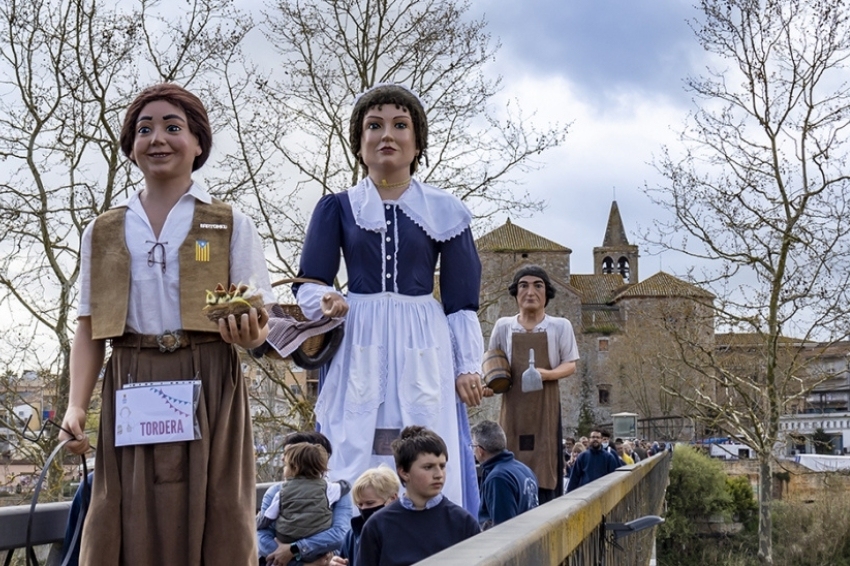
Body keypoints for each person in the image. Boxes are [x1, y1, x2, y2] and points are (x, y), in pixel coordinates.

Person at [59, 83, 273, 565]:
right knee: (126, 509)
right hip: (131, 377)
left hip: (211, 379)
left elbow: (260, 321)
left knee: (217, 508)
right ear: (130, 146)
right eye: (144, 129)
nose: (157, 138)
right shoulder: (105, 229)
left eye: (173, 127)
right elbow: (89, 326)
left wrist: (249, 332)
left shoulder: (229, 221)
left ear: (198, 143)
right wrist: (75, 407)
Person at [267, 83, 484, 514]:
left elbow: (461, 301)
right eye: (374, 125)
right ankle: (352, 540)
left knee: (425, 432)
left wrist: (467, 366)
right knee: (354, 438)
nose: (387, 134)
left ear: (417, 142)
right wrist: (326, 299)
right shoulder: (338, 208)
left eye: (400, 125)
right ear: (359, 143)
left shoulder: (447, 212)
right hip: (359, 335)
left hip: (424, 338)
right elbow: (309, 281)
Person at [487, 265, 580, 504]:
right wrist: (488, 384)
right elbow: (491, 362)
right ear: (515, 293)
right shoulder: (503, 326)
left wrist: (547, 374)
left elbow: (570, 364)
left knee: (545, 461)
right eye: (523, 285)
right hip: (513, 407)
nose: (530, 292)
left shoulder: (560, 326)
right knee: (510, 456)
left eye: (537, 285)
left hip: (545, 407)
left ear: (546, 293)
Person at [356, 426, 480, 566]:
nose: (438, 474)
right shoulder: (377, 525)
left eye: (442, 466)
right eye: (428, 467)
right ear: (404, 472)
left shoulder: (463, 523)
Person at [258, 432, 353, 566]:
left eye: (289, 454)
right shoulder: (275, 492)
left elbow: (339, 535)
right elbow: (262, 538)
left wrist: (294, 549)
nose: (282, 459)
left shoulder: (334, 493)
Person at [469, 420, 538, 530]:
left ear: (480, 450)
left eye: (473, 446)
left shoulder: (498, 478)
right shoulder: (525, 469)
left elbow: (503, 529)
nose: (473, 451)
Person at [331, 465, 400, 566]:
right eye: (360, 504)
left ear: (393, 499)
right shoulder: (352, 536)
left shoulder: (406, 531)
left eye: (370, 503)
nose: (363, 509)